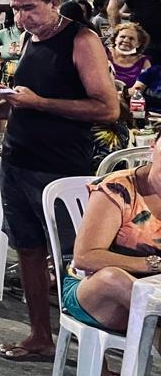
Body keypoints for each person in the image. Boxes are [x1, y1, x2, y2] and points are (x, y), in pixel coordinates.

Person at [0, 0, 118, 362]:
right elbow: (19, 101)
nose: (22, 17)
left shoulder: (81, 40)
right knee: (27, 249)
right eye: (16, 9)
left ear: (54, 3)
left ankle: (99, 359)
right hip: (17, 161)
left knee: (75, 260)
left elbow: (107, 108)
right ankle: (41, 334)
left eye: (29, 8)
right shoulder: (28, 38)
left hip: (60, 169)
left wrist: (38, 103)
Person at [63, 138, 161, 348]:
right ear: (153, 147)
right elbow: (85, 257)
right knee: (113, 278)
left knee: (152, 316)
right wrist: (151, 264)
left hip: (153, 294)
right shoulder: (118, 188)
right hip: (94, 290)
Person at [108, 23, 150, 88]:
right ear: (115, 39)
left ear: (138, 44)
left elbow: (140, 88)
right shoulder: (103, 52)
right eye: (122, 37)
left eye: (131, 38)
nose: (126, 40)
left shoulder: (144, 62)